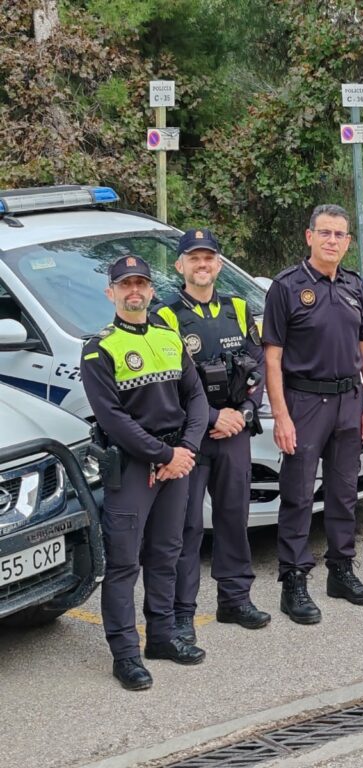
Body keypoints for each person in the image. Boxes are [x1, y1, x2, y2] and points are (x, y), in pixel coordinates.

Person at [81, 255, 208, 690]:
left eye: (141, 283)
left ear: (152, 290)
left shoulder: (170, 336)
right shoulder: (99, 348)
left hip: (175, 462)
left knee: (166, 553)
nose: (134, 291)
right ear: (111, 293)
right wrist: (162, 455)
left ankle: (162, 636)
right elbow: (113, 419)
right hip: (136, 467)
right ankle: (126, 655)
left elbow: (196, 398)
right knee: (123, 564)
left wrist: (186, 449)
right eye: (125, 285)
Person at [262, 204, 363, 624]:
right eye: (325, 233)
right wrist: (281, 416)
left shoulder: (354, 284)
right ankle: (293, 580)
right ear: (309, 236)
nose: (332, 241)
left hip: (350, 400)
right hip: (304, 402)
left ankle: (341, 570)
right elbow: (272, 359)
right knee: (297, 495)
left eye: (340, 235)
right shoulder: (286, 287)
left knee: (344, 492)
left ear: (349, 242)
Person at [154, 229, 270, 644]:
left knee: (234, 517)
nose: (202, 265)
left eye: (209, 258)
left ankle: (234, 599)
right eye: (194, 259)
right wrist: (211, 417)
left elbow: (255, 366)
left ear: (219, 265)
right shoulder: (165, 315)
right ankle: (182, 614)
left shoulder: (237, 307)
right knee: (186, 527)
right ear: (180, 265)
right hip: (190, 437)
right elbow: (166, 384)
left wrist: (244, 411)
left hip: (235, 431)